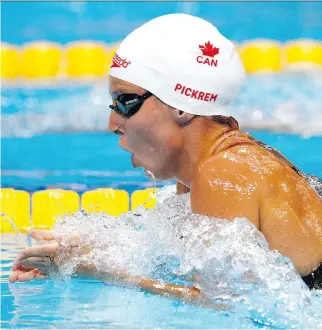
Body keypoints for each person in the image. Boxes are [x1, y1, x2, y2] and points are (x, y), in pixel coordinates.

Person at [10, 13, 322, 300]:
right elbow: (180, 262)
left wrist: (93, 271)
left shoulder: (224, 172)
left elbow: (225, 304)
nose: (112, 124)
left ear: (182, 105)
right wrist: (83, 250)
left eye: (125, 101)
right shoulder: (205, 169)